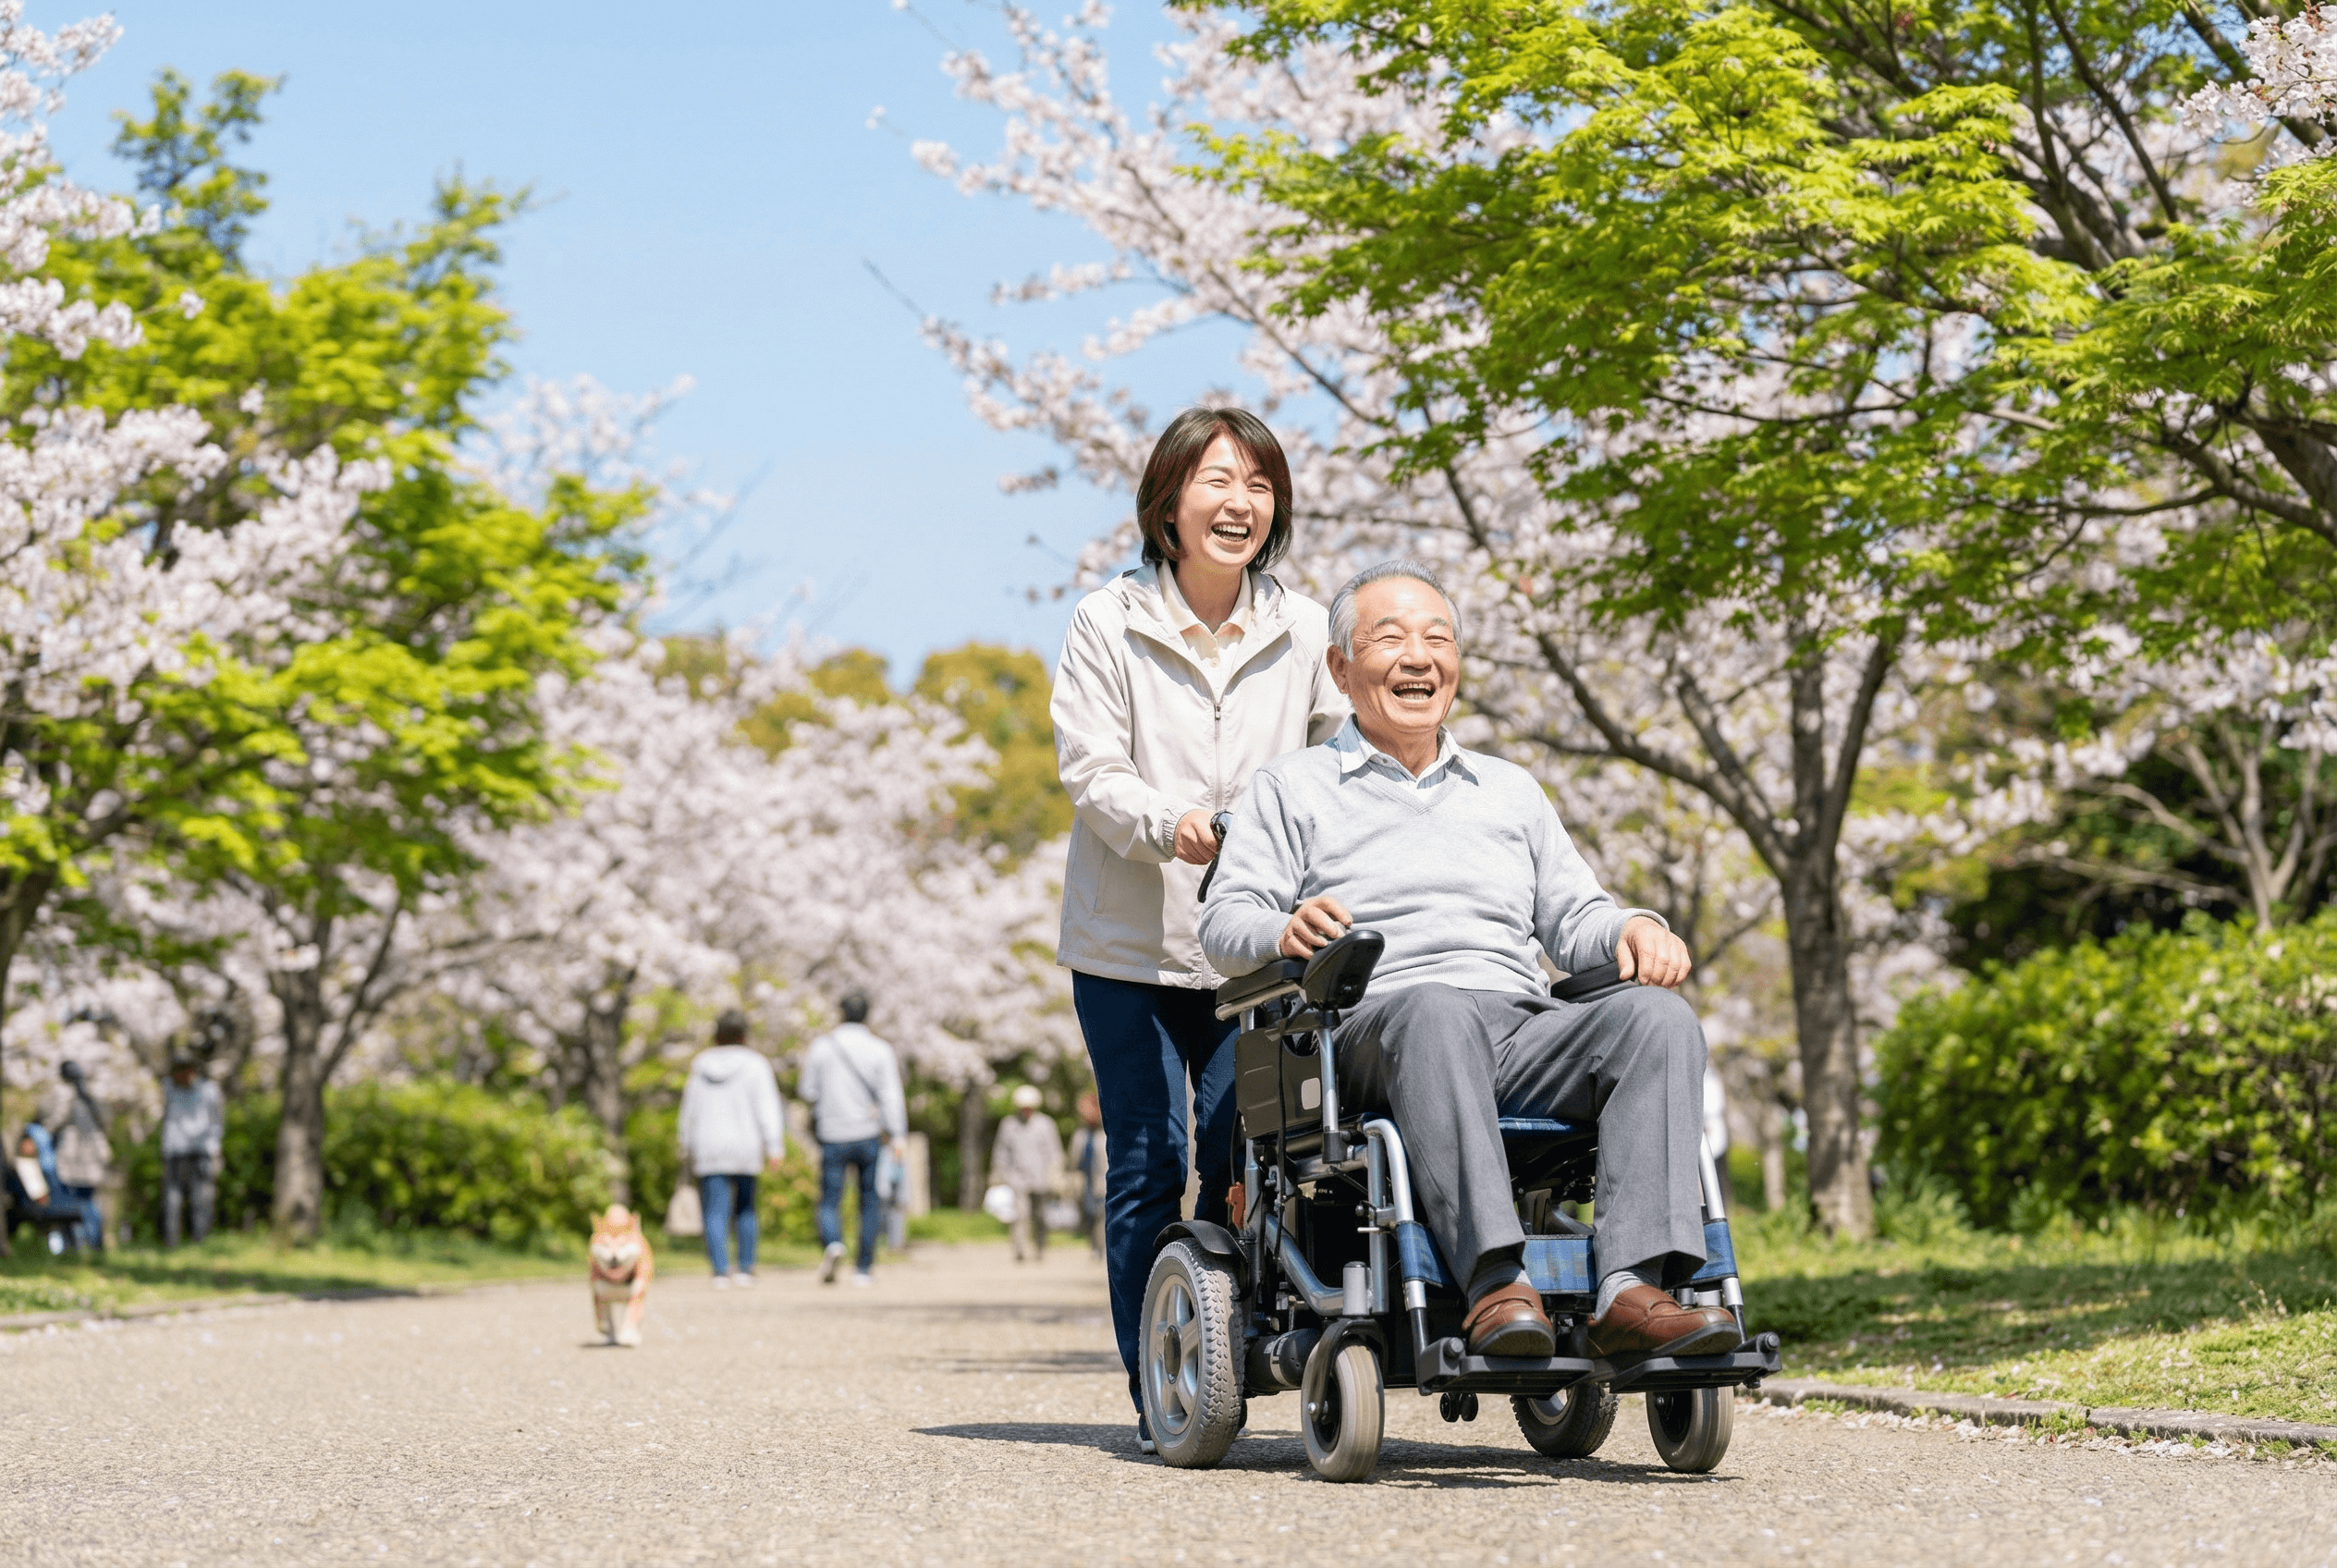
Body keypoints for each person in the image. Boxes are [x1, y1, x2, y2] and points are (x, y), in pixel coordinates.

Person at [1199, 560, 1740, 1363]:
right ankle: (1496, 1284)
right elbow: (1223, 919)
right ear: (1342, 669)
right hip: (1375, 1031)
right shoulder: (1292, 787)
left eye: (1437, 638)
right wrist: (1284, 929)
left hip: (1519, 1029)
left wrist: (1632, 927)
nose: (1419, 657)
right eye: (1391, 638)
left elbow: (1576, 915)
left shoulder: (1510, 790)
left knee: (1657, 1019)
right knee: (1436, 1007)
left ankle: (1632, 1287)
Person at [1051, 405, 1348, 1444]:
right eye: (1217, 481)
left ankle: (1221, 1342)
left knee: (1244, 1153)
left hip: (1251, 953)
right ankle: (1157, 1387)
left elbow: (1338, 763)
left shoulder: (1309, 628)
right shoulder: (1108, 620)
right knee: (1144, 1155)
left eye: (1259, 483)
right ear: (1166, 503)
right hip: (1127, 944)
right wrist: (1163, 821)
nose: (1239, 502)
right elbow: (1090, 768)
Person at [798, 991, 907, 1288]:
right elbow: (890, 1095)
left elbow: (807, 1091)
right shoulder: (879, 1049)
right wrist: (897, 1134)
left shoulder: (822, 1047)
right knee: (869, 1201)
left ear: (841, 1013)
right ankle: (863, 1269)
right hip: (868, 1133)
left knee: (830, 1199)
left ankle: (833, 1243)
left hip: (832, 1134)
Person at [677, 1010, 786, 1288]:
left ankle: (719, 1270)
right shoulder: (755, 1064)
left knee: (714, 1209)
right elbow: (767, 1107)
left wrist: (685, 1142)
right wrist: (774, 1144)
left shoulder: (700, 1064)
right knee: (746, 1208)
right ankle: (746, 1268)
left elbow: (689, 1109)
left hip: (709, 1144)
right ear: (744, 1035)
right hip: (746, 1144)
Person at [40, 1061, 110, 1252]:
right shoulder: (91, 1096)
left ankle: (82, 1245)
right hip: (87, 1160)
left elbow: (53, 1122)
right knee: (87, 1202)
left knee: (74, 1204)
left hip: (74, 1161)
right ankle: (88, 1245)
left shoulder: (74, 1097)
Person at [159, 1053, 226, 1248]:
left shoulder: (208, 1091)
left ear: (192, 1071)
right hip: (175, 1151)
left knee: (201, 1197)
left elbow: (217, 1121)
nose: (180, 1075)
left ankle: (200, 1240)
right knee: (172, 1198)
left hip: (201, 1150)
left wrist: (215, 1149)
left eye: (184, 1070)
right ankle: (170, 1242)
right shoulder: (168, 1089)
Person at [990, 1085, 1062, 1263]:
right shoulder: (1008, 1125)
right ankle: (1019, 1250)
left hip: (1041, 1179)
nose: (1026, 1111)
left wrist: (1056, 1175)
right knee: (1020, 1215)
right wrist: (997, 1174)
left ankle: (1039, 1247)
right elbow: (1001, 1152)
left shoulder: (1046, 1124)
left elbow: (1055, 1152)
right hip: (1017, 1179)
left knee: (1040, 1216)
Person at [1067, 1091, 1107, 1258]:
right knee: (1088, 1214)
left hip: (1102, 1181)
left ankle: (1101, 1248)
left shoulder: (1105, 1135)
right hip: (1086, 1181)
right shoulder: (1080, 1135)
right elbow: (1073, 1160)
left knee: (1100, 1215)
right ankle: (1093, 1245)